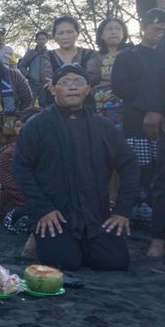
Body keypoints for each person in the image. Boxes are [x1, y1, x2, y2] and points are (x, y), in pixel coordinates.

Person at [13, 64, 136, 272]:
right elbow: (21, 169)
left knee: (116, 261)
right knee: (65, 263)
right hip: (55, 215)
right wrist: (43, 209)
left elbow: (130, 164)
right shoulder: (37, 126)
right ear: (52, 89)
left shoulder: (104, 127)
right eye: (65, 83)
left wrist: (122, 210)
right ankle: (39, 236)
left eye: (78, 82)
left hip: (95, 215)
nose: (72, 87)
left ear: (88, 89)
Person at [113, 10, 164, 228]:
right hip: (136, 122)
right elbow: (119, 88)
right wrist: (151, 82)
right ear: (143, 29)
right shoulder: (127, 56)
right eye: (155, 29)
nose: (159, 34)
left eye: (163, 30)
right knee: (137, 169)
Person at [0, 107, 41, 235]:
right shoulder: (10, 154)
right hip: (19, 209)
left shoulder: (50, 151)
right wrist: (44, 205)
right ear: (19, 127)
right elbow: (14, 190)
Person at [40, 16, 101, 98]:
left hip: (85, 103)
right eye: (60, 33)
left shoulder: (90, 54)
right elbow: (47, 80)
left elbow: (93, 79)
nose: (65, 37)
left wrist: (60, 84)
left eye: (70, 32)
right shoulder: (47, 55)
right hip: (54, 103)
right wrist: (80, 83)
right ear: (54, 36)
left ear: (77, 33)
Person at [92, 17, 129, 128]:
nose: (114, 32)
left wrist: (103, 78)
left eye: (118, 29)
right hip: (99, 107)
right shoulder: (94, 57)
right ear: (101, 35)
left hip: (125, 107)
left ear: (123, 34)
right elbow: (90, 77)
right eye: (109, 29)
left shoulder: (131, 54)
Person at [18, 31, 49, 103]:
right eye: (39, 39)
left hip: (45, 85)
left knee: (45, 107)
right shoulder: (30, 53)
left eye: (44, 39)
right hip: (32, 84)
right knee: (28, 104)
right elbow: (22, 65)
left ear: (47, 40)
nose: (41, 41)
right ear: (36, 40)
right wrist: (27, 75)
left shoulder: (50, 54)